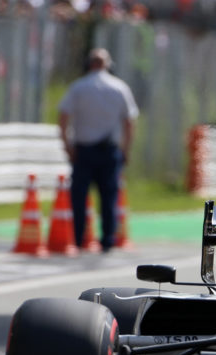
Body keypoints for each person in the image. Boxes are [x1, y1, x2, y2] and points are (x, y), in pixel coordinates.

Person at [58, 47, 138, 252]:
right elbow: (129, 122)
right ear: (108, 64)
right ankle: (107, 239)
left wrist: (67, 145)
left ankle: (77, 237)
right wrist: (126, 149)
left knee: (79, 196)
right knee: (109, 196)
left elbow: (63, 117)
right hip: (109, 150)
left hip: (83, 149)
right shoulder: (119, 87)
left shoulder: (78, 87)